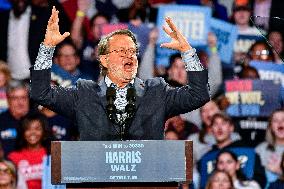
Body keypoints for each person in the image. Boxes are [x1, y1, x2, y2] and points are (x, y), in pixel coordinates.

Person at [30, 7, 210, 141]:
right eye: (120, 51)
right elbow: (41, 93)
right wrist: (46, 49)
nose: (128, 57)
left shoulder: (156, 91)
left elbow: (199, 95)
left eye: (132, 52)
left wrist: (187, 52)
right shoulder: (83, 93)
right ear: (104, 60)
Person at [8, 113, 49, 189]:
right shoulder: (13, 157)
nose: (32, 132)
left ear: (44, 131)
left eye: (37, 129)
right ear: (22, 132)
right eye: (28, 129)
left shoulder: (54, 154)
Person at [0, 80, 30, 156]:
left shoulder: (39, 120)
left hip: (36, 165)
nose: (20, 103)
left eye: (23, 98)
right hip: (7, 165)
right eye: (15, 98)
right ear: (8, 100)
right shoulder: (1, 121)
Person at [255, 109, 284, 187]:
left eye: (283, 120)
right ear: (271, 127)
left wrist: (279, 171)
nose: (280, 123)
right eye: (275, 120)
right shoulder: (261, 149)